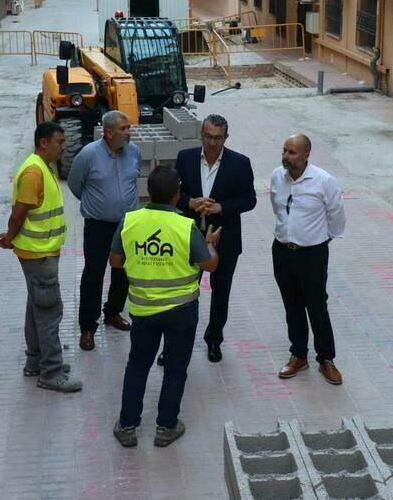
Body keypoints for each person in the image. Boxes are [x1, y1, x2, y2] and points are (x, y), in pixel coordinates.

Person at [111, 166, 220, 448]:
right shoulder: (186, 227)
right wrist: (210, 244)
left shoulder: (130, 221)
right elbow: (209, 264)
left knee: (138, 364)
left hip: (143, 310)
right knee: (175, 367)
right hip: (181, 312)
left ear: (149, 191)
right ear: (177, 195)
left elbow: (115, 261)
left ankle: (127, 425)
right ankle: (166, 427)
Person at [0, 121, 81, 392]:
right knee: (48, 311)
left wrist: (12, 237)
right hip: (39, 254)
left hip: (40, 252)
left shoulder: (42, 166)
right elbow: (20, 212)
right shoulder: (34, 172)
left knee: (36, 307)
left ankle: (36, 362)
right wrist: (10, 236)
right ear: (44, 143)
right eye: (59, 142)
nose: (63, 146)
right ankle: (51, 371)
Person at [174, 114, 257, 363]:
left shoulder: (240, 163)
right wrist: (189, 202)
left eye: (218, 138)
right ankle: (177, 343)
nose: (212, 143)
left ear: (226, 138)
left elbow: (249, 199)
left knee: (221, 292)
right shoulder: (185, 158)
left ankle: (214, 340)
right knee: (185, 292)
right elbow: (172, 193)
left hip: (225, 241)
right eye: (208, 137)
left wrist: (221, 207)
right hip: (190, 238)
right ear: (201, 135)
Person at [269, 134, 347, 386]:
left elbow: (336, 218)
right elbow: (277, 208)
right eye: (284, 151)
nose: (285, 157)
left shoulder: (324, 181)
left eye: (292, 153)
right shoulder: (276, 177)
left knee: (316, 306)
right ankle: (298, 355)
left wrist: (318, 240)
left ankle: (326, 359)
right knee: (291, 304)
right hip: (282, 251)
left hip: (312, 254)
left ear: (306, 156)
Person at [67, 110, 140, 351]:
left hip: (127, 224)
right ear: (108, 133)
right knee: (94, 273)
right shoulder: (88, 155)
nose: (128, 133)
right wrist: (96, 203)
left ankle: (113, 311)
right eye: (123, 129)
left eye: (128, 128)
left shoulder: (134, 153)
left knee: (122, 271)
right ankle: (88, 326)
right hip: (98, 224)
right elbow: (75, 185)